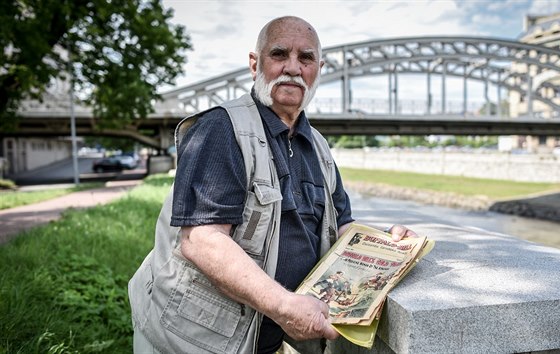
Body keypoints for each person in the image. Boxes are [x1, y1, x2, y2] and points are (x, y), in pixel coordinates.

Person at [128, 16, 417, 354]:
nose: (293, 68)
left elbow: (341, 226)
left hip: (266, 337)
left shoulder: (318, 146)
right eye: (279, 54)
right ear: (255, 64)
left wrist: (387, 246)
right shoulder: (220, 129)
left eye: (305, 58)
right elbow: (203, 240)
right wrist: (283, 305)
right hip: (194, 339)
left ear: (318, 69)